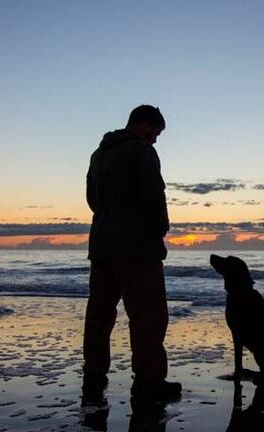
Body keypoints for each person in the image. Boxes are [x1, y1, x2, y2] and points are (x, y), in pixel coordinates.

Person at [82, 105, 181, 402]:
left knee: (99, 314)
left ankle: (94, 373)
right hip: (137, 247)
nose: (155, 140)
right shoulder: (141, 151)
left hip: (101, 244)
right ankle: (149, 382)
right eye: (156, 133)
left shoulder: (99, 154)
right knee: (147, 315)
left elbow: (92, 199)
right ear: (144, 125)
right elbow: (153, 195)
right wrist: (161, 227)